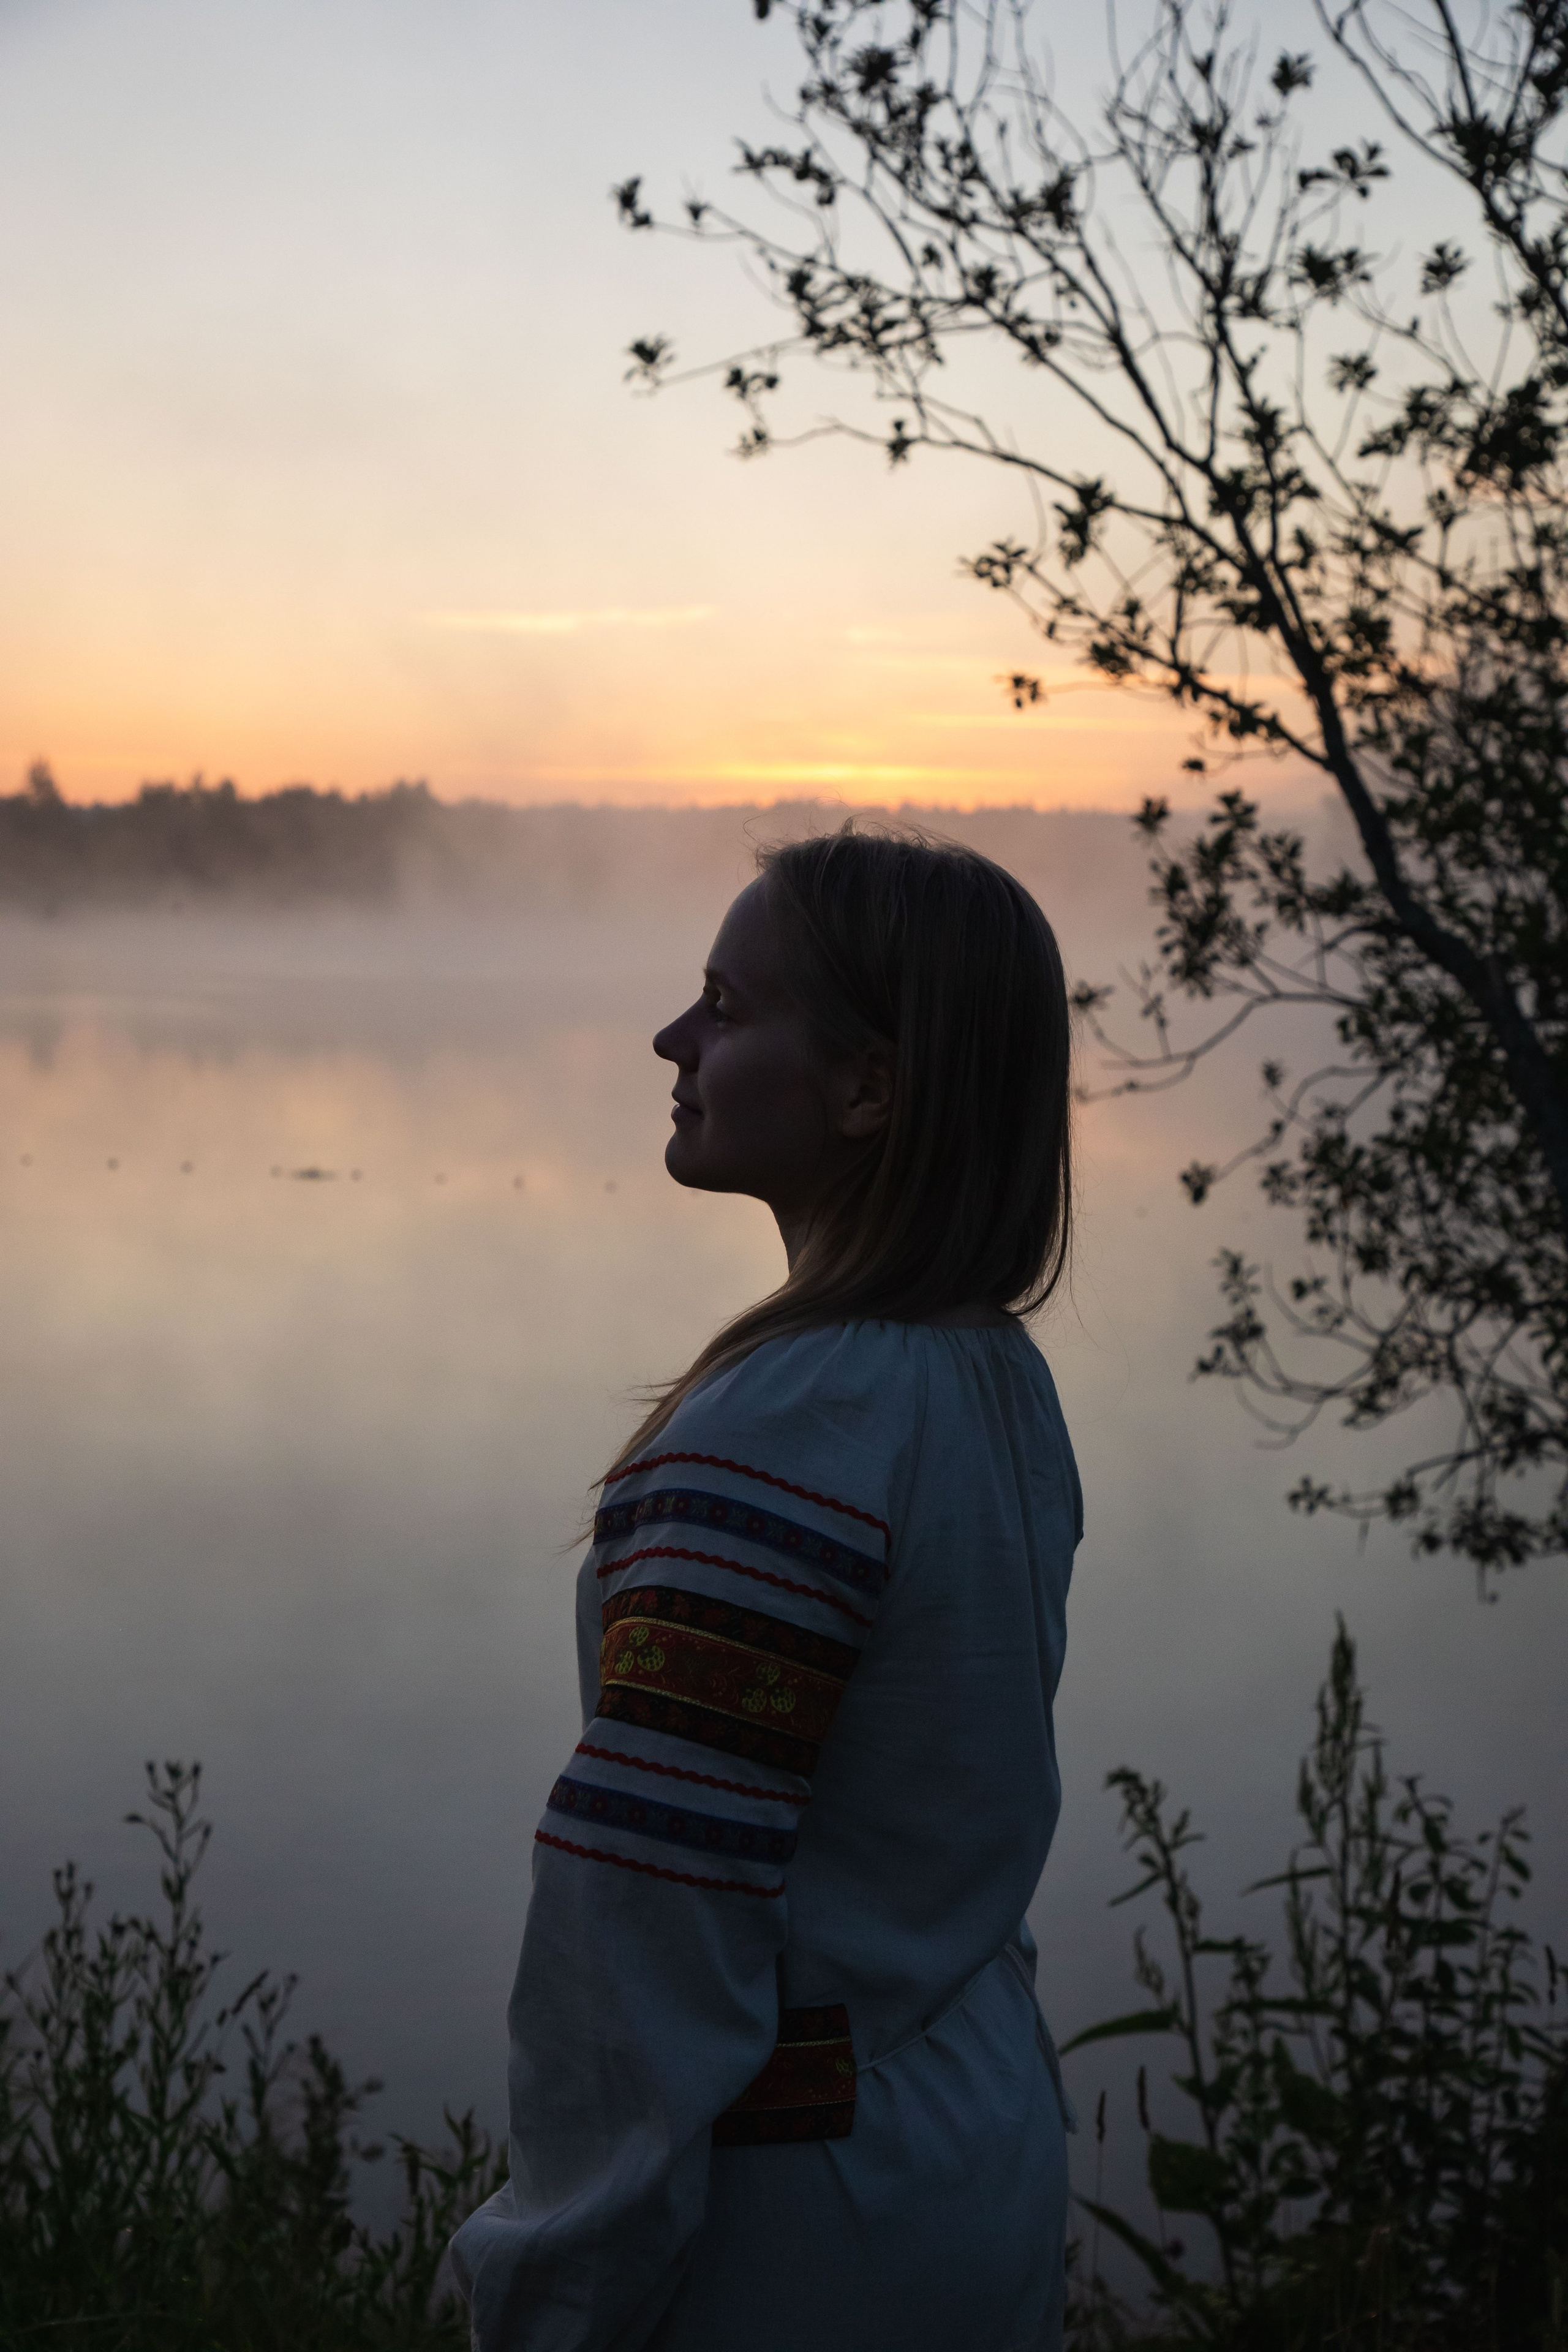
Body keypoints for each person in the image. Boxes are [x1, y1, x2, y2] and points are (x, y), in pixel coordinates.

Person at [451, 824, 1082, 2351]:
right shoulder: (991, 1381)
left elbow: (644, 1930)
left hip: (791, 2225)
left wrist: (555, 2294)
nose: (672, 1040)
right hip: (969, 2151)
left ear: (867, 1089)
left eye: (726, 1009)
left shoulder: (791, 1432)